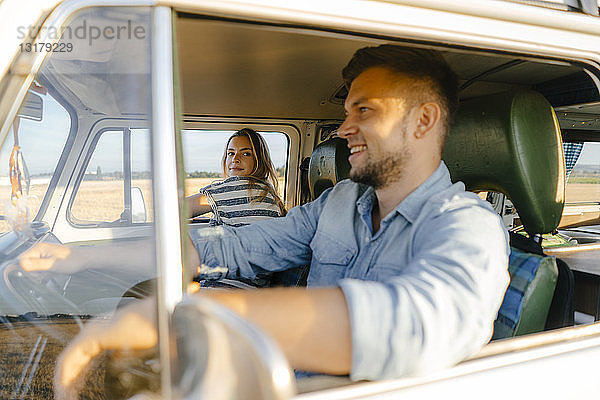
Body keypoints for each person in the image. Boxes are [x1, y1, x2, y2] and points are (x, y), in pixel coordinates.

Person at [19, 44, 510, 391]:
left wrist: (181, 322)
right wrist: (76, 258)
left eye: (364, 110)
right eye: (346, 110)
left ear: (422, 120)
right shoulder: (337, 203)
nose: (343, 128)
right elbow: (224, 249)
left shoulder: (469, 224)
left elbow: (418, 325)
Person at [187, 128, 286, 226]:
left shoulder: (227, 191)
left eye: (246, 154)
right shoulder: (268, 192)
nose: (235, 159)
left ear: (259, 160)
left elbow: (176, 210)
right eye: (231, 153)